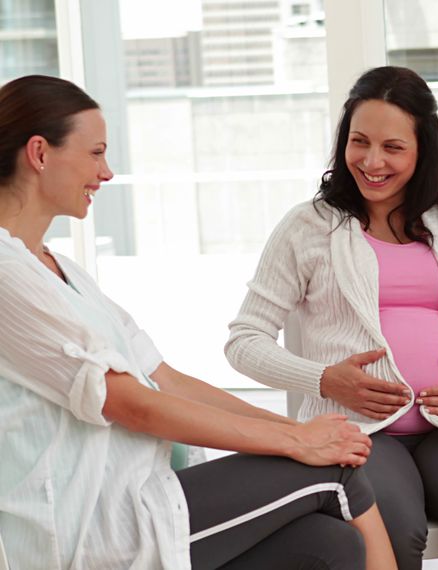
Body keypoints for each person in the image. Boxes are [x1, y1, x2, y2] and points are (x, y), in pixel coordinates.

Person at [0, 75, 396, 570]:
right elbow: (132, 405)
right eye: (95, 153)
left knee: (329, 544)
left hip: (146, 493)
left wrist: (306, 431)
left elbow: (165, 380)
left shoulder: (60, 271)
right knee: (339, 476)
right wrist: (299, 442)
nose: (106, 172)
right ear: (39, 153)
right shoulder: (6, 272)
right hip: (99, 527)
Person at [225, 65, 438, 570]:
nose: (372, 161)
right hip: (360, 433)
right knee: (388, 532)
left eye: (393, 148)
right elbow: (244, 340)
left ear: (425, 148)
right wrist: (324, 379)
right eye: (360, 142)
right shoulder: (307, 226)